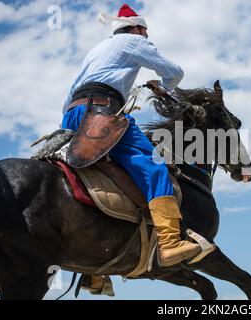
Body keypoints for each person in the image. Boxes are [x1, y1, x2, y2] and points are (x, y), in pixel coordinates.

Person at [61, 4, 201, 267]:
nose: (147, 38)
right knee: (154, 166)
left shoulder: (97, 50)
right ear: (137, 28)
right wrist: (162, 86)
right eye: (146, 33)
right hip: (101, 113)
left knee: (96, 173)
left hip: (73, 113)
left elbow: (70, 95)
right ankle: (170, 243)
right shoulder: (133, 41)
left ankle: (93, 272)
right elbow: (175, 72)